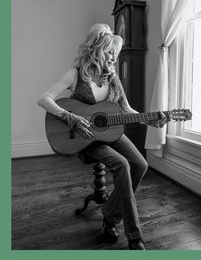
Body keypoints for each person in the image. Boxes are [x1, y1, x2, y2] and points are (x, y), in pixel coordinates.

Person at [37, 23, 167, 250]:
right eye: (110, 53)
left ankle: (110, 214)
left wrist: (150, 119)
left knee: (140, 165)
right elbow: (44, 99)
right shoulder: (75, 74)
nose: (114, 58)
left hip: (110, 134)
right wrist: (71, 118)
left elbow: (127, 111)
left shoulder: (113, 77)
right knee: (122, 164)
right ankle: (134, 237)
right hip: (85, 137)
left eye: (116, 54)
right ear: (96, 49)